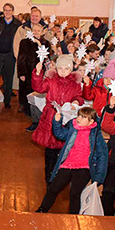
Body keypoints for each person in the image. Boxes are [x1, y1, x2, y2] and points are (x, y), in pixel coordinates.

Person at [36, 107, 108, 214]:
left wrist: (99, 177)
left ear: (91, 121)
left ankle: (73, 216)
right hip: (68, 164)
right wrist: (57, 122)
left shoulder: (96, 134)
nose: (79, 118)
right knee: (53, 188)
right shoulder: (73, 128)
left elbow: (102, 155)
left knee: (75, 193)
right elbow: (60, 134)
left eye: (83, 117)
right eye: (79, 115)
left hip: (84, 166)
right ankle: (42, 209)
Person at [32, 54, 84, 182]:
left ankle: (59, 174)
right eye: (60, 68)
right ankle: (48, 174)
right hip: (51, 116)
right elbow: (39, 88)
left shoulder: (75, 83)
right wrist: (38, 73)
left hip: (66, 117)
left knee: (64, 147)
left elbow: (79, 96)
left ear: (71, 69)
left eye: (66, 69)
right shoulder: (51, 80)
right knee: (50, 147)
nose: (63, 71)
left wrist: (76, 102)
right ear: (56, 69)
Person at [0, 3, 22, 108]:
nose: (7, 12)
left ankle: (7, 101)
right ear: (3, 11)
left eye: (9, 10)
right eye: (5, 10)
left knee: (9, 79)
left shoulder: (17, 23)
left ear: (13, 11)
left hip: (10, 54)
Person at [17, 22, 50, 116]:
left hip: (39, 72)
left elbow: (45, 56)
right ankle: (24, 106)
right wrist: (21, 73)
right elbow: (21, 58)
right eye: (34, 30)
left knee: (36, 92)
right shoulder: (24, 42)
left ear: (42, 32)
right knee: (24, 90)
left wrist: (39, 43)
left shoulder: (45, 43)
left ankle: (35, 111)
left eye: (38, 31)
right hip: (26, 70)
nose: (36, 32)